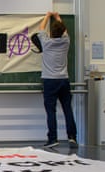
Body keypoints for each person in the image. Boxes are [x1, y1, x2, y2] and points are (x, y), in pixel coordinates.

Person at [38, 12, 78, 149]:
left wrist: (47, 15)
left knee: (51, 111)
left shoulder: (46, 42)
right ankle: (72, 137)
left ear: (52, 32)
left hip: (50, 81)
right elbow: (63, 29)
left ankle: (53, 138)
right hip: (63, 80)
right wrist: (56, 17)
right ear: (62, 32)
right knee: (67, 109)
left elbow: (41, 28)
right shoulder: (66, 41)